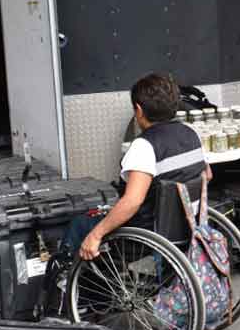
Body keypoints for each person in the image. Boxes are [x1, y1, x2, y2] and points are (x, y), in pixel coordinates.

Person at [65, 72, 210, 260]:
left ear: (139, 110)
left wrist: (95, 235)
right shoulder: (191, 134)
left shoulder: (144, 146)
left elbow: (132, 202)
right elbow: (207, 175)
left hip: (147, 236)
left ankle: (68, 276)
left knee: (80, 225)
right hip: (188, 226)